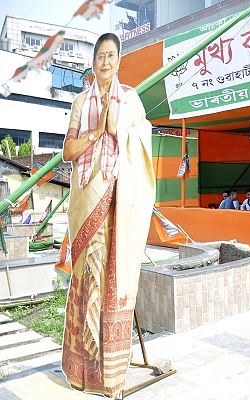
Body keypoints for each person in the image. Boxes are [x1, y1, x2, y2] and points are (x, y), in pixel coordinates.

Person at [60, 33, 155, 399]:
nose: (105, 61)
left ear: (118, 60)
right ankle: (82, 369)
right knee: (87, 278)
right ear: (93, 60)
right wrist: (95, 134)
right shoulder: (80, 101)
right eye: (100, 55)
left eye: (111, 55)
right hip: (85, 199)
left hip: (118, 198)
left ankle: (109, 374)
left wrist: (114, 129)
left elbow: (142, 139)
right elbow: (69, 149)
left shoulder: (129, 99)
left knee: (111, 277)